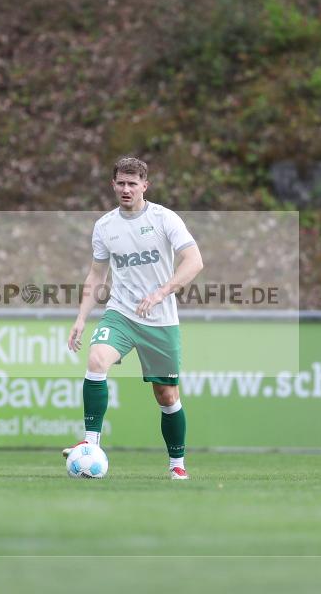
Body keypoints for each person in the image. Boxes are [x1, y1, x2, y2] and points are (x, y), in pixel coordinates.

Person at [65, 157, 204, 480]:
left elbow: (194, 261)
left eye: (133, 183)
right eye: (121, 183)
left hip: (160, 320)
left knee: (166, 396)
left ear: (145, 185)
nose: (126, 189)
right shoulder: (104, 226)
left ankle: (176, 464)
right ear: (113, 185)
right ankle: (91, 443)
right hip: (121, 314)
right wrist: (81, 319)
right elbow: (96, 275)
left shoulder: (164, 218)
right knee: (97, 359)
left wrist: (162, 292)